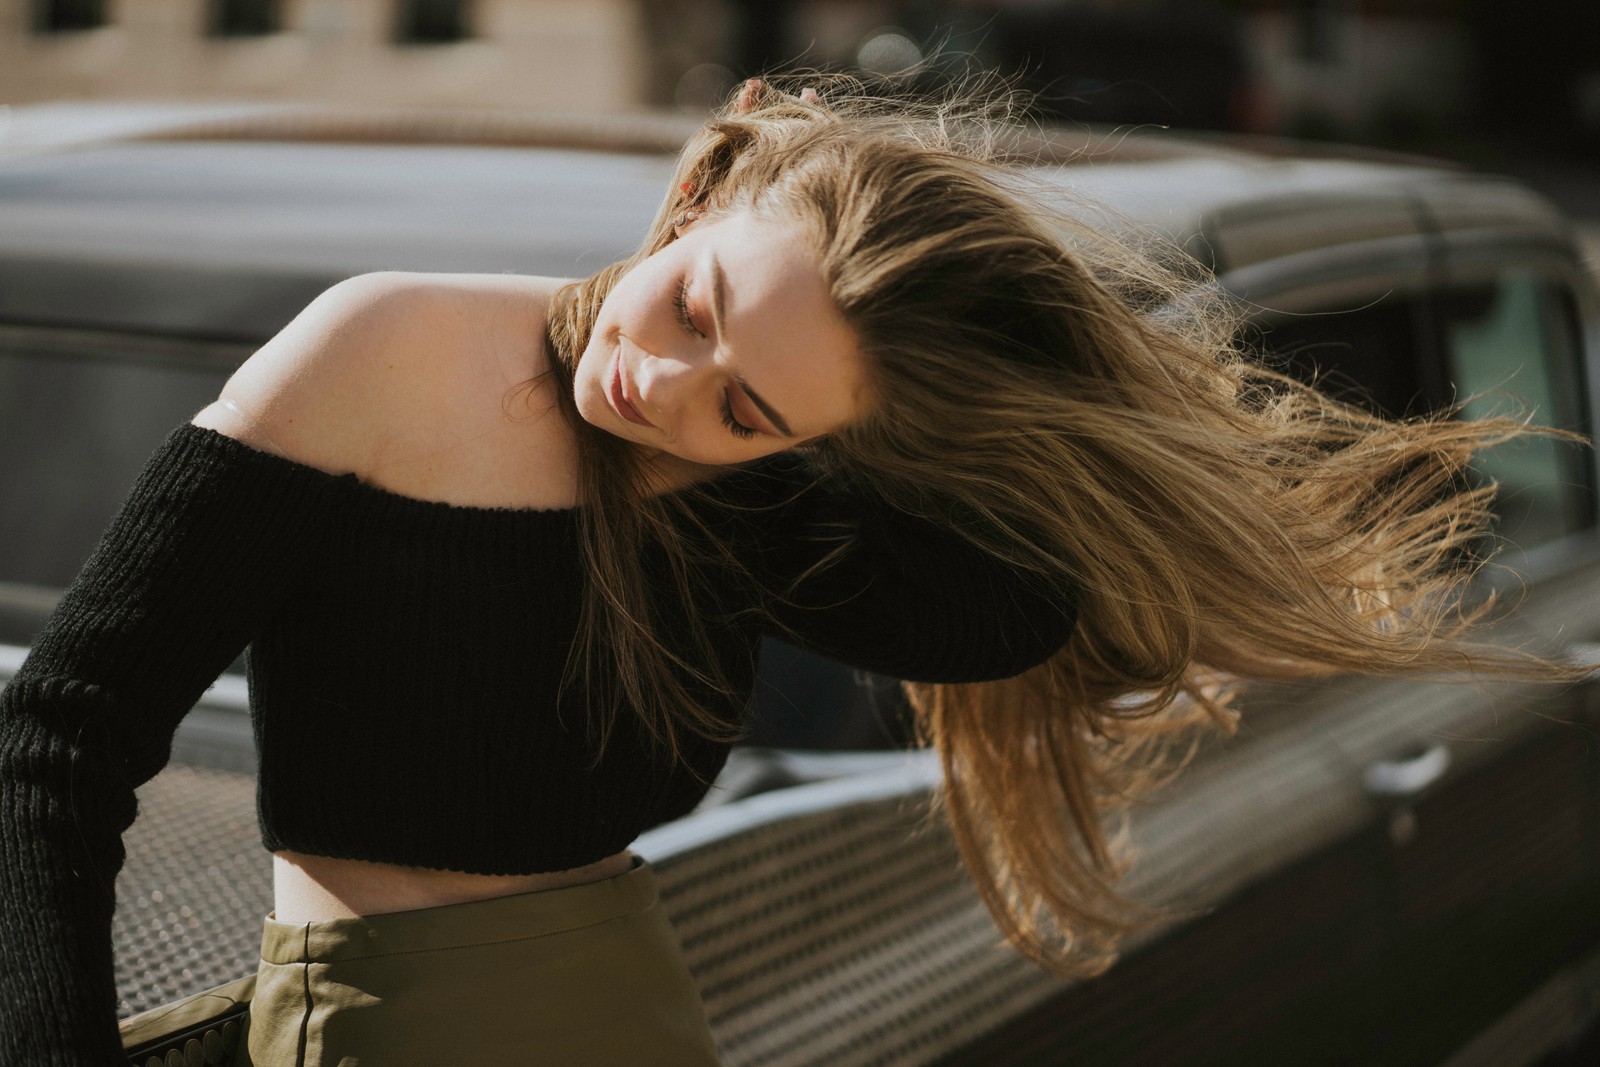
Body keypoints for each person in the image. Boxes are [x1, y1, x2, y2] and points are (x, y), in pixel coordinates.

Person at [0, 77, 1576, 1064]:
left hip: (632, 1003)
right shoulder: (382, 347)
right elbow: (57, 745)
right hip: (384, 1019)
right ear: (696, 197)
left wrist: (778, 463)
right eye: (689, 306)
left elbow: (1012, 617)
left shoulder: (733, 492)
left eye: (750, 399)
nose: (664, 386)